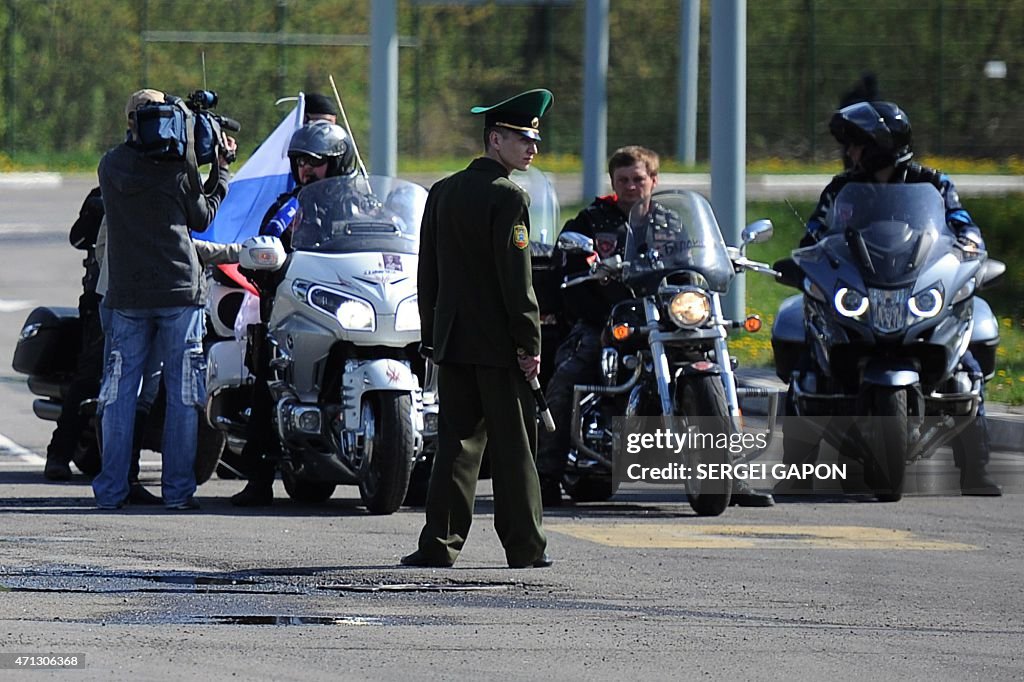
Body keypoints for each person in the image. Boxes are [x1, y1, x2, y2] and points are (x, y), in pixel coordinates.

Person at [536, 146, 775, 508]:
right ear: (613, 182)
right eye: (623, 180)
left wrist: (724, 258)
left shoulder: (671, 221)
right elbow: (569, 275)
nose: (631, 186)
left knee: (723, 373)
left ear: (654, 180)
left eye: (638, 179)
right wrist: (595, 301)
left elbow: (693, 261)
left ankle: (731, 476)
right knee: (568, 378)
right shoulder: (590, 222)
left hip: (668, 315)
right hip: (608, 319)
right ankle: (546, 476)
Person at [787, 100, 1001, 496]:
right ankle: (796, 467)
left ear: (881, 144)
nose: (849, 153)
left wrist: (970, 251)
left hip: (916, 285)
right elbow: (816, 233)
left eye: (856, 144)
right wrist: (808, 255)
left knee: (966, 366)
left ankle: (976, 469)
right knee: (809, 356)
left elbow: (962, 227)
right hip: (861, 286)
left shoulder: (934, 184)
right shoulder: (840, 189)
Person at [401, 89, 554, 569]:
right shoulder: (509, 197)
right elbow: (518, 283)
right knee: (514, 451)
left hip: (452, 341)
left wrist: (432, 336)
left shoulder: (443, 191)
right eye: (522, 139)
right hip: (499, 347)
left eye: (534, 139)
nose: (532, 148)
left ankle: (439, 545)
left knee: (455, 449)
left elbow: (429, 274)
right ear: (495, 140)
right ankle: (526, 548)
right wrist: (529, 343)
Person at [93, 88, 236, 510]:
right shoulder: (179, 168)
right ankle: (177, 493)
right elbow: (203, 216)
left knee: (118, 394)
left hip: (128, 295)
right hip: (180, 293)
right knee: (183, 394)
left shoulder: (111, 166)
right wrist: (220, 170)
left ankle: (111, 491)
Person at [230, 120, 358, 507]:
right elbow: (263, 244)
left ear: (338, 163)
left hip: (353, 309)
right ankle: (258, 478)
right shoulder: (291, 205)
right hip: (298, 310)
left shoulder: (365, 203)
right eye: (300, 161)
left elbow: (394, 235)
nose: (306, 169)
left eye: (315, 162)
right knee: (270, 375)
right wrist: (268, 259)